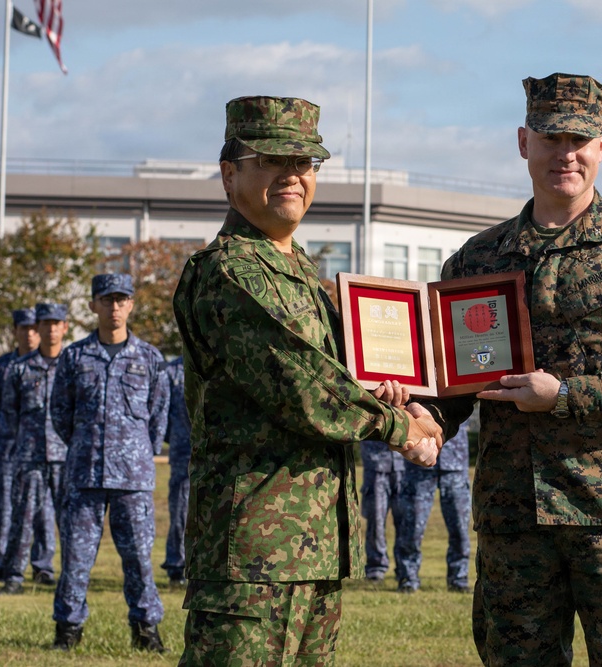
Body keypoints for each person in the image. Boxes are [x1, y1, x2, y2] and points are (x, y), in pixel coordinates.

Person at [415, 73, 602, 666]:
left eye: (580, 139)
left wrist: (569, 394)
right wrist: (424, 420)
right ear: (524, 142)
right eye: (551, 138)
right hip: (514, 514)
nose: (565, 153)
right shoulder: (476, 260)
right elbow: (452, 378)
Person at [172, 95, 443, 666]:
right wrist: (401, 426)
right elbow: (303, 384)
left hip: (314, 546)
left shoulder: (303, 277)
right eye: (272, 160)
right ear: (230, 173)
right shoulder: (228, 272)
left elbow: (355, 373)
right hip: (252, 553)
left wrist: (408, 396)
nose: (292, 175)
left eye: (306, 163)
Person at [49, 274, 169, 652]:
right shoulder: (73, 357)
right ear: (93, 305)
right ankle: (67, 631)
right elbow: (60, 413)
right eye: (106, 300)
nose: (114, 307)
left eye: (121, 299)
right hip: (85, 474)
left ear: (131, 304)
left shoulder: (150, 358)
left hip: (133, 479)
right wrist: (85, 445)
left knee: (138, 558)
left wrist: (135, 452)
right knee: (76, 559)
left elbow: (158, 416)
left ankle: (146, 631)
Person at [0, 303, 70, 595]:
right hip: (30, 456)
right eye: (45, 323)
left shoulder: (73, 364)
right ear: (36, 328)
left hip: (64, 457)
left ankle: (69, 578)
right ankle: (14, 576)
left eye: (56, 323)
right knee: (22, 519)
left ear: (64, 327)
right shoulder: (19, 370)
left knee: (69, 522)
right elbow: (9, 414)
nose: (50, 329)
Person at [0, 307, 40, 581]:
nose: (29, 334)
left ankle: (42, 566)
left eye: (33, 328)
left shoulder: (51, 363)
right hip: (6, 450)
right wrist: (5, 438)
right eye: (23, 328)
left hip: (40, 451)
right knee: (3, 508)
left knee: (41, 510)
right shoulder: (1, 367)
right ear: (15, 331)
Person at [395, 420, 472, 594]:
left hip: (455, 463)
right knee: (412, 527)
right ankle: (408, 578)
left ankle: (459, 578)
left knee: (460, 528)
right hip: (419, 462)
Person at [161, 355, 191, 588]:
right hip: (183, 454)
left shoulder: (218, 361)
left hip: (215, 454)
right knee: (180, 513)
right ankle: (176, 566)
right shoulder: (171, 373)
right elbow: (160, 416)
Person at [359, 440, 407, 583]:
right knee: (376, 522)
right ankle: (376, 568)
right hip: (375, 464)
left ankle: (404, 569)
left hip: (403, 464)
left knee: (405, 522)